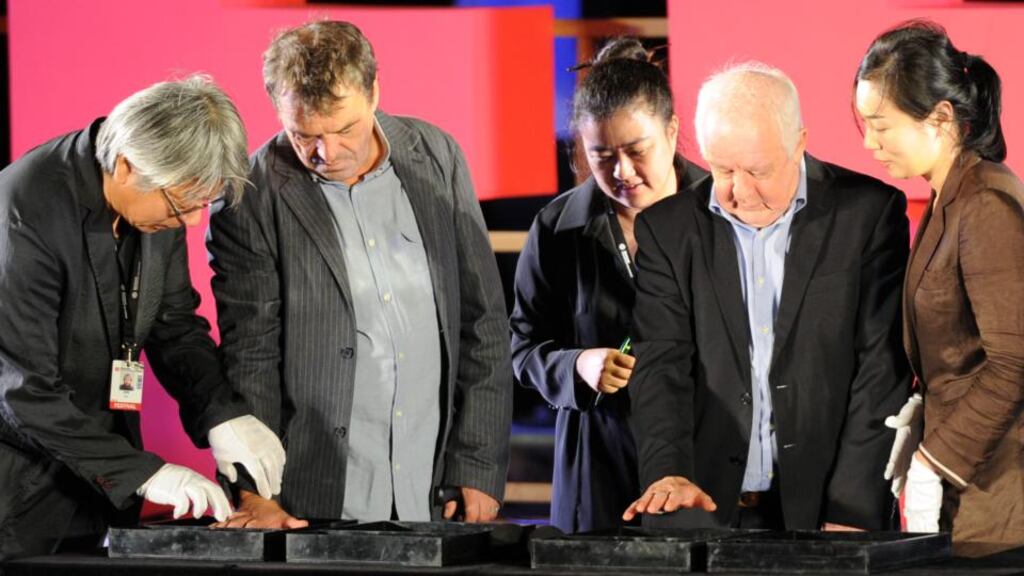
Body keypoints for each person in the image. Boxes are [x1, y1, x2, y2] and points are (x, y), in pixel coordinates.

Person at [207, 20, 512, 528]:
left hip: (437, 492)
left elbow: (482, 322)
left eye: (344, 128)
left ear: (374, 92)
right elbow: (249, 355)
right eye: (305, 135)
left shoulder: (437, 155)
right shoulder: (250, 197)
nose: (327, 153)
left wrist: (478, 464)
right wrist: (253, 491)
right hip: (310, 496)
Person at [0, 76, 285, 559]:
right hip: (18, 494)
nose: (193, 222)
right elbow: (21, 390)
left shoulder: (158, 200)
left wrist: (223, 414)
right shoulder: (24, 209)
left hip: (100, 493)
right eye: (182, 204)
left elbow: (174, 324)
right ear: (128, 165)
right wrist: (147, 473)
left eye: (202, 203)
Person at [622, 62, 911, 531]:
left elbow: (882, 368)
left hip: (831, 508)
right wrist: (667, 471)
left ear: (798, 142)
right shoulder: (667, 231)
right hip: (704, 504)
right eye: (722, 169)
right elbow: (661, 365)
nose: (739, 191)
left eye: (757, 170)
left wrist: (852, 506)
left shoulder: (867, 214)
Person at [509, 38, 706, 533]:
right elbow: (523, 348)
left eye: (637, 151)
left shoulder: (721, 212)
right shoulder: (558, 227)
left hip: (702, 461)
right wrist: (577, 365)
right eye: (601, 156)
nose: (622, 173)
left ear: (672, 130)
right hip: (596, 467)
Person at [855, 21, 1024, 554]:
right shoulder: (951, 193)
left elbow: (1015, 361)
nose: (869, 142)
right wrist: (927, 409)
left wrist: (938, 457)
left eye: (882, 125)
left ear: (941, 117)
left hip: (999, 494)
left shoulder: (986, 203)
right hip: (973, 482)